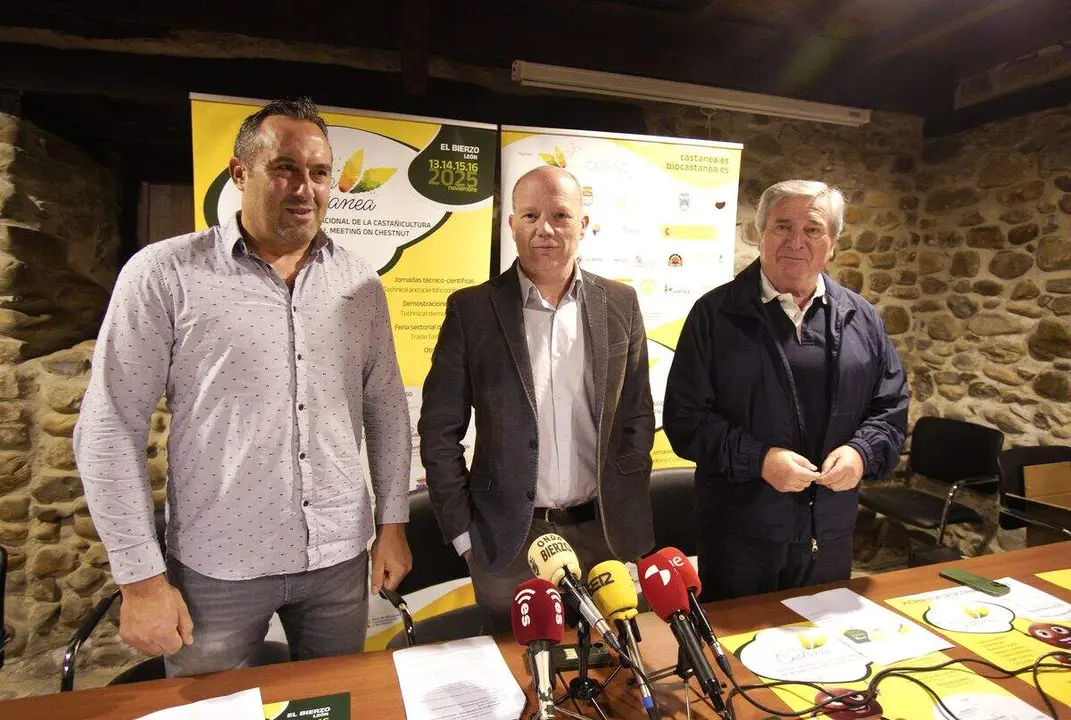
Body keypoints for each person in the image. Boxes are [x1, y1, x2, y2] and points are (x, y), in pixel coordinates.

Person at [74, 98, 413, 675]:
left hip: (337, 560)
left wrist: (393, 524)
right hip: (218, 568)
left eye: (319, 172)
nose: (305, 187)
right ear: (239, 173)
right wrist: (140, 580)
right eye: (284, 168)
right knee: (211, 715)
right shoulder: (165, 274)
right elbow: (109, 427)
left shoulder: (357, 282)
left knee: (331, 708)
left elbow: (384, 408)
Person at [419, 165, 655, 631]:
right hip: (508, 541)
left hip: (605, 535)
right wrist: (465, 533)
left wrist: (626, 499)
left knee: (614, 674)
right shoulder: (472, 310)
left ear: (583, 224)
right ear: (512, 225)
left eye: (560, 215)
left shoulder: (621, 303)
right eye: (529, 216)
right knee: (521, 679)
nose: (544, 229)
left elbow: (637, 413)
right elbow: (438, 429)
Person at [663, 179, 908, 601]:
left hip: (829, 534)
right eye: (782, 226)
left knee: (821, 652)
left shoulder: (863, 318)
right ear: (761, 235)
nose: (796, 241)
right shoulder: (714, 315)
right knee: (736, 656)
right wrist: (760, 460)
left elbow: (890, 408)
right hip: (739, 535)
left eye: (812, 229)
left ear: (831, 242)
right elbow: (686, 419)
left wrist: (861, 453)